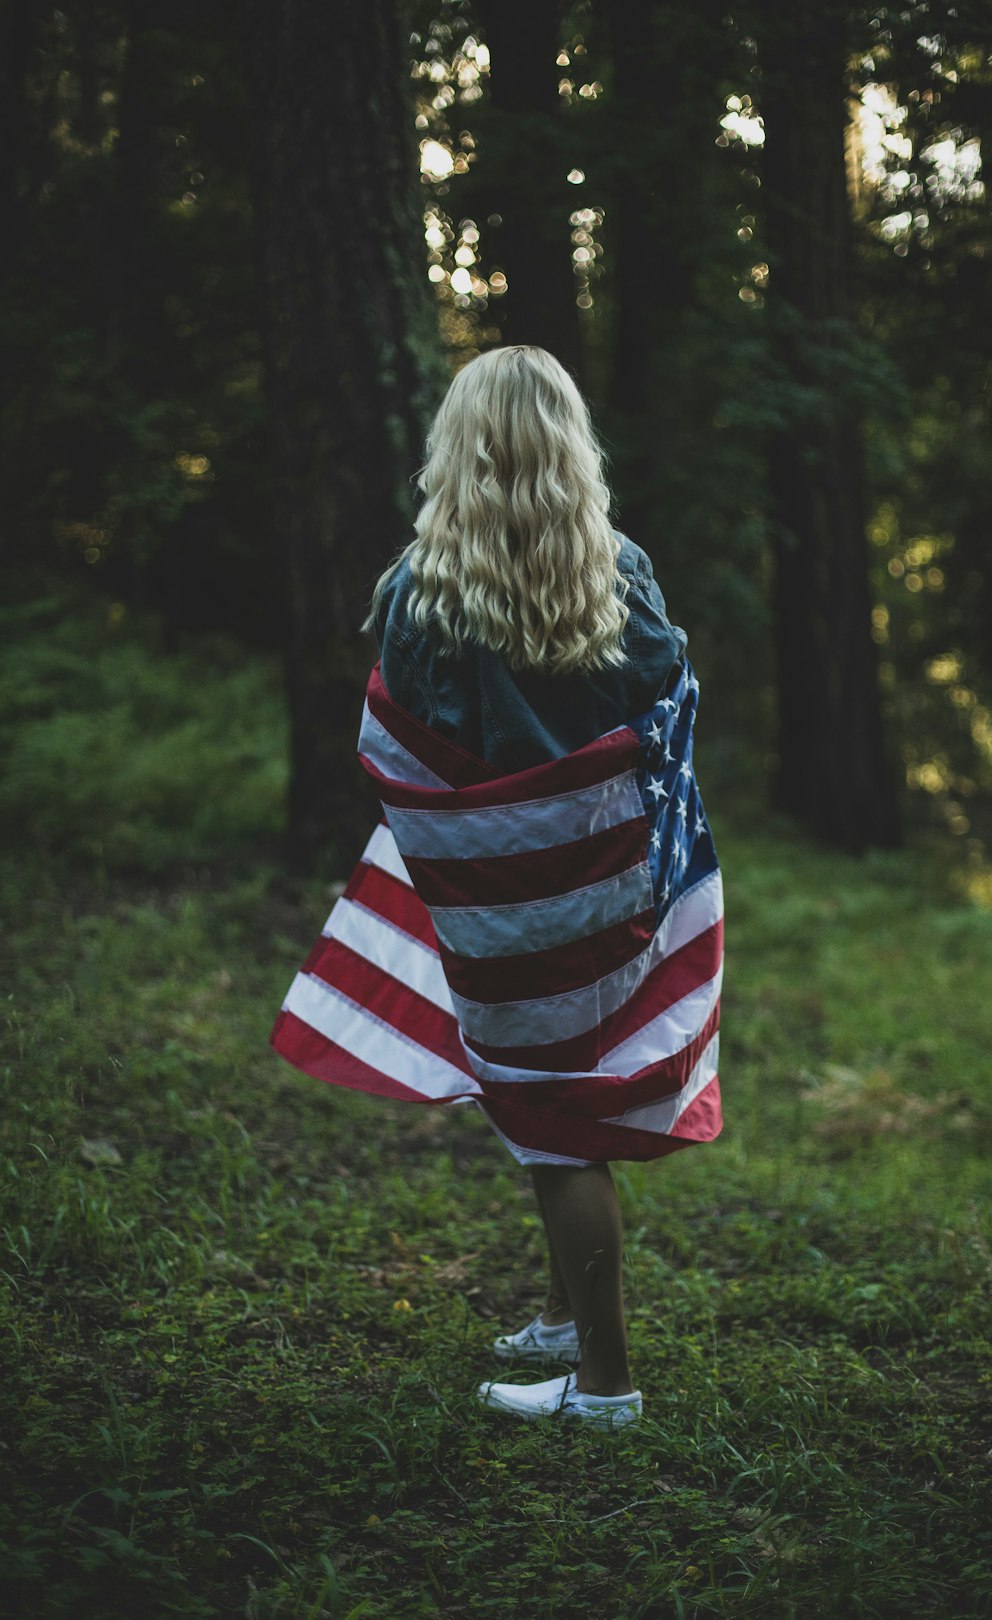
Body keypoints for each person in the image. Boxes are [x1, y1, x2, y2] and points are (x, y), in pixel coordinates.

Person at [271, 344, 724, 1430]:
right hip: (610, 904)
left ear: (457, 450)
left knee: (550, 1121)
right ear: (572, 447)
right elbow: (664, 712)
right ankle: (568, 1323)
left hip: (499, 916)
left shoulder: (419, 593)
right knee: (549, 1109)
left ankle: (607, 1390)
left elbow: (399, 748)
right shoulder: (623, 571)